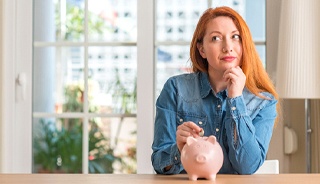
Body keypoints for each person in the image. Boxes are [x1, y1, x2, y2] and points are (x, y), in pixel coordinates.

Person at [151, 6, 280, 175]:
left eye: (235, 37)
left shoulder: (263, 101)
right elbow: (159, 162)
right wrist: (179, 150)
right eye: (216, 38)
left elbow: (247, 167)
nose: (228, 47)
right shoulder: (176, 89)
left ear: (244, 44)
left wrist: (235, 100)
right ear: (202, 49)